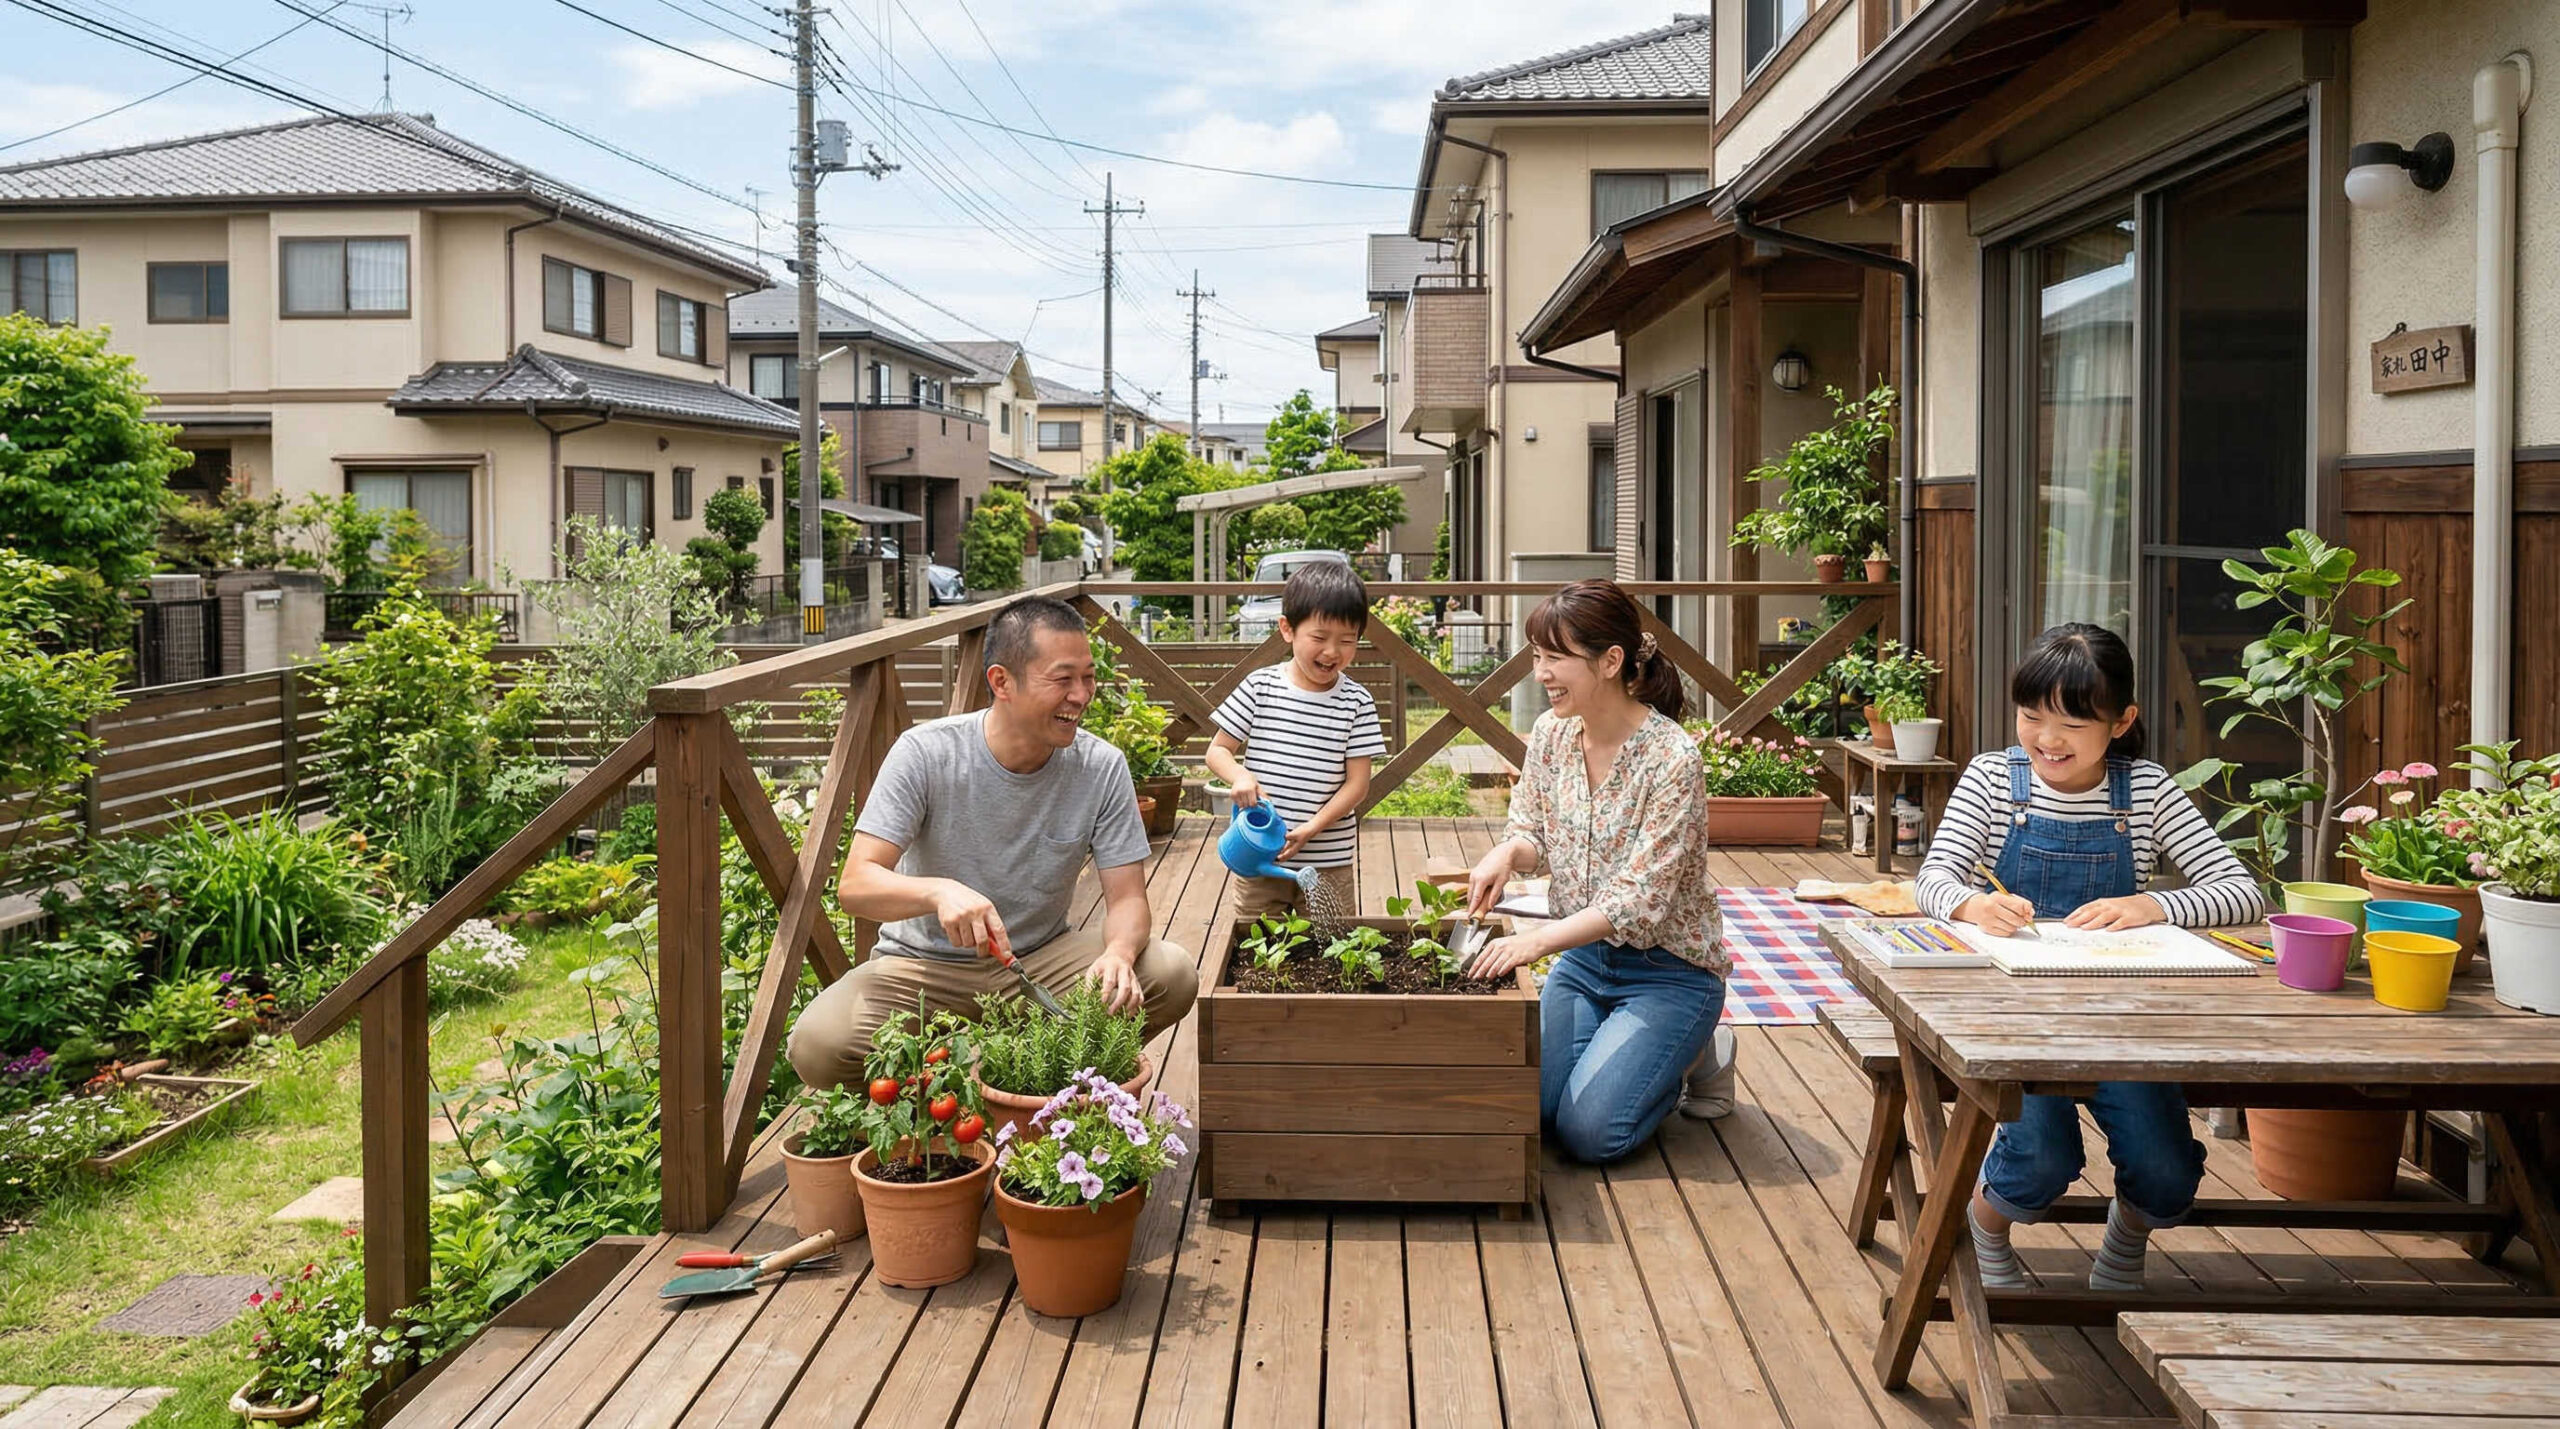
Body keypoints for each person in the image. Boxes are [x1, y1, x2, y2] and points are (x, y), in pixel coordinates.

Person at [1916, 622, 2266, 1292]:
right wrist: (1973, 905)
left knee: (2166, 1168)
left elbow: (2241, 892)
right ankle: (1984, 1227)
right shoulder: (1992, 780)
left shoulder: (2148, 789)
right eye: (2031, 717)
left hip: (2124, 1023)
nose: (2048, 739)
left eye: (2072, 724)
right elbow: (1932, 882)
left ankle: (2126, 1237)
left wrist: (2153, 905)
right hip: (2015, 1021)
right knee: (2041, 1157)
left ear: (2121, 721)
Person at [785, 596, 1200, 1089]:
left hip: (1040, 962)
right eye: (1063, 679)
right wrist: (938, 891)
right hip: (920, 968)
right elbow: (856, 885)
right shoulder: (925, 753)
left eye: (1088, 677)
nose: (1081, 695)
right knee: (817, 1045)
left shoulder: (1101, 766)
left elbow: (1128, 898)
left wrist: (1119, 955)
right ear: (1002, 682)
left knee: (1170, 973)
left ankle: (1029, 1081)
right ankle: (993, 1083)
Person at [1461, 580, 1730, 1163]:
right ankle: (1638, 1054)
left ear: (1611, 661)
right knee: (1529, 1108)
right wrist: (1506, 854)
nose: (1541, 673)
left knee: (1590, 1134)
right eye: (1537, 656)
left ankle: (1697, 1057)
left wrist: (1534, 943)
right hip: (1584, 962)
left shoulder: (1673, 758)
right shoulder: (1552, 735)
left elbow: (1639, 900)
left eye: (1555, 658)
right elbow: (1532, 831)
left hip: (1670, 973)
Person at [1203, 560, 1386, 919]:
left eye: (1347, 641)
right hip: (1259, 855)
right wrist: (1241, 776)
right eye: (1319, 638)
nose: (1332, 652)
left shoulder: (1357, 702)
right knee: (1255, 940)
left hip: (1328, 860)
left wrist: (1313, 828)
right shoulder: (1260, 687)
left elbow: (1358, 785)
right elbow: (1218, 751)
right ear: (1287, 629)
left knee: (1333, 944)